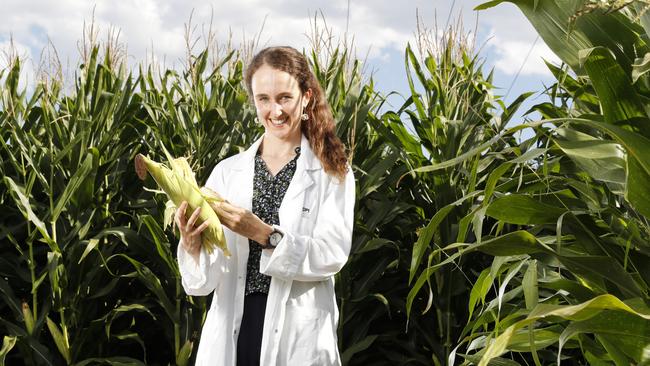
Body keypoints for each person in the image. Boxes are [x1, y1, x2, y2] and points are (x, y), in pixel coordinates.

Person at [174, 46, 355, 366]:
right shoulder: (227, 172)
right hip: (234, 326)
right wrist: (192, 245)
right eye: (264, 99)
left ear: (307, 97)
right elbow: (201, 284)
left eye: (285, 97)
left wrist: (263, 234)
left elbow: (332, 254)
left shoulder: (331, 172)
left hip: (297, 332)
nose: (275, 110)